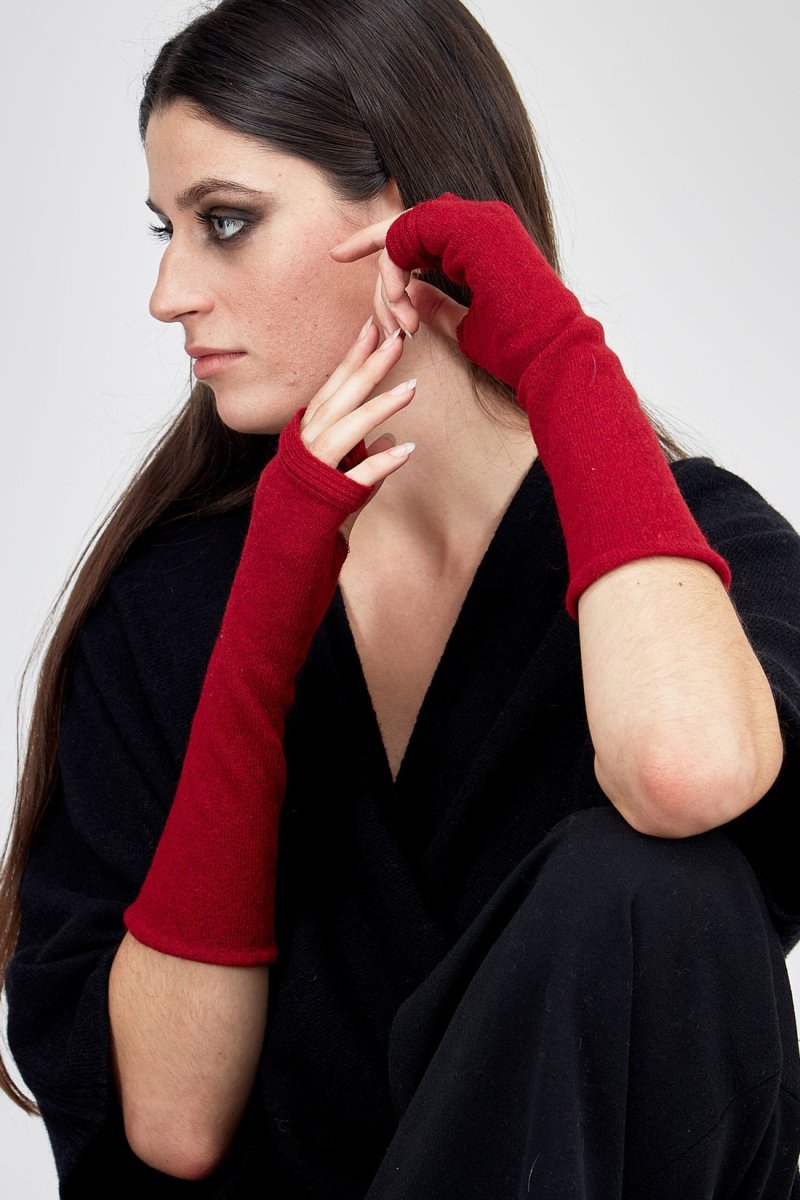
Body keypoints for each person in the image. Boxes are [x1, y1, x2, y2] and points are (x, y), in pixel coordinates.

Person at [2, 0, 799, 1195]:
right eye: (167, 230)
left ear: (410, 219)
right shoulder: (166, 606)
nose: (168, 293)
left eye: (226, 223)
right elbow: (171, 1126)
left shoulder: (699, 554)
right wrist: (265, 611)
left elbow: (684, 776)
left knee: (656, 878)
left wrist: (560, 355)